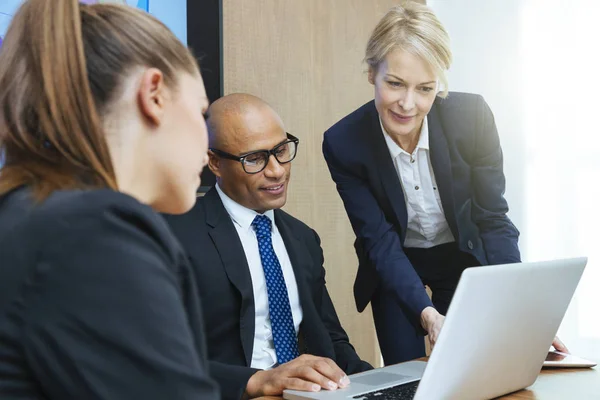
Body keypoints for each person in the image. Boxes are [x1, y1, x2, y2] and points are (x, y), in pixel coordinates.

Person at [322, 1, 568, 365]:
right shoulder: (344, 142)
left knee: (475, 366)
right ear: (371, 73)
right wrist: (428, 314)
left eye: (425, 88)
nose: (408, 103)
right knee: (405, 374)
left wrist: (522, 310)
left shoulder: (472, 118)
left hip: (461, 255)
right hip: (395, 261)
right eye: (395, 84)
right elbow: (379, 240)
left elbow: (492, 219)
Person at [0, 0, 219, 398]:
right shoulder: (91, 233)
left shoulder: (27, 212)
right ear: (154, 93)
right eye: (202, 113)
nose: (207, 152)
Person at [163, 93, 372, 399]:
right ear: (215, 163)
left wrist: (378, 382)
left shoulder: (304, 238)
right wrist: (258, 380)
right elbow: (163, 359)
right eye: (255, 159)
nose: (276, 170)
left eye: (281, 150)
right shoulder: (174, 235)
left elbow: (331, 338)